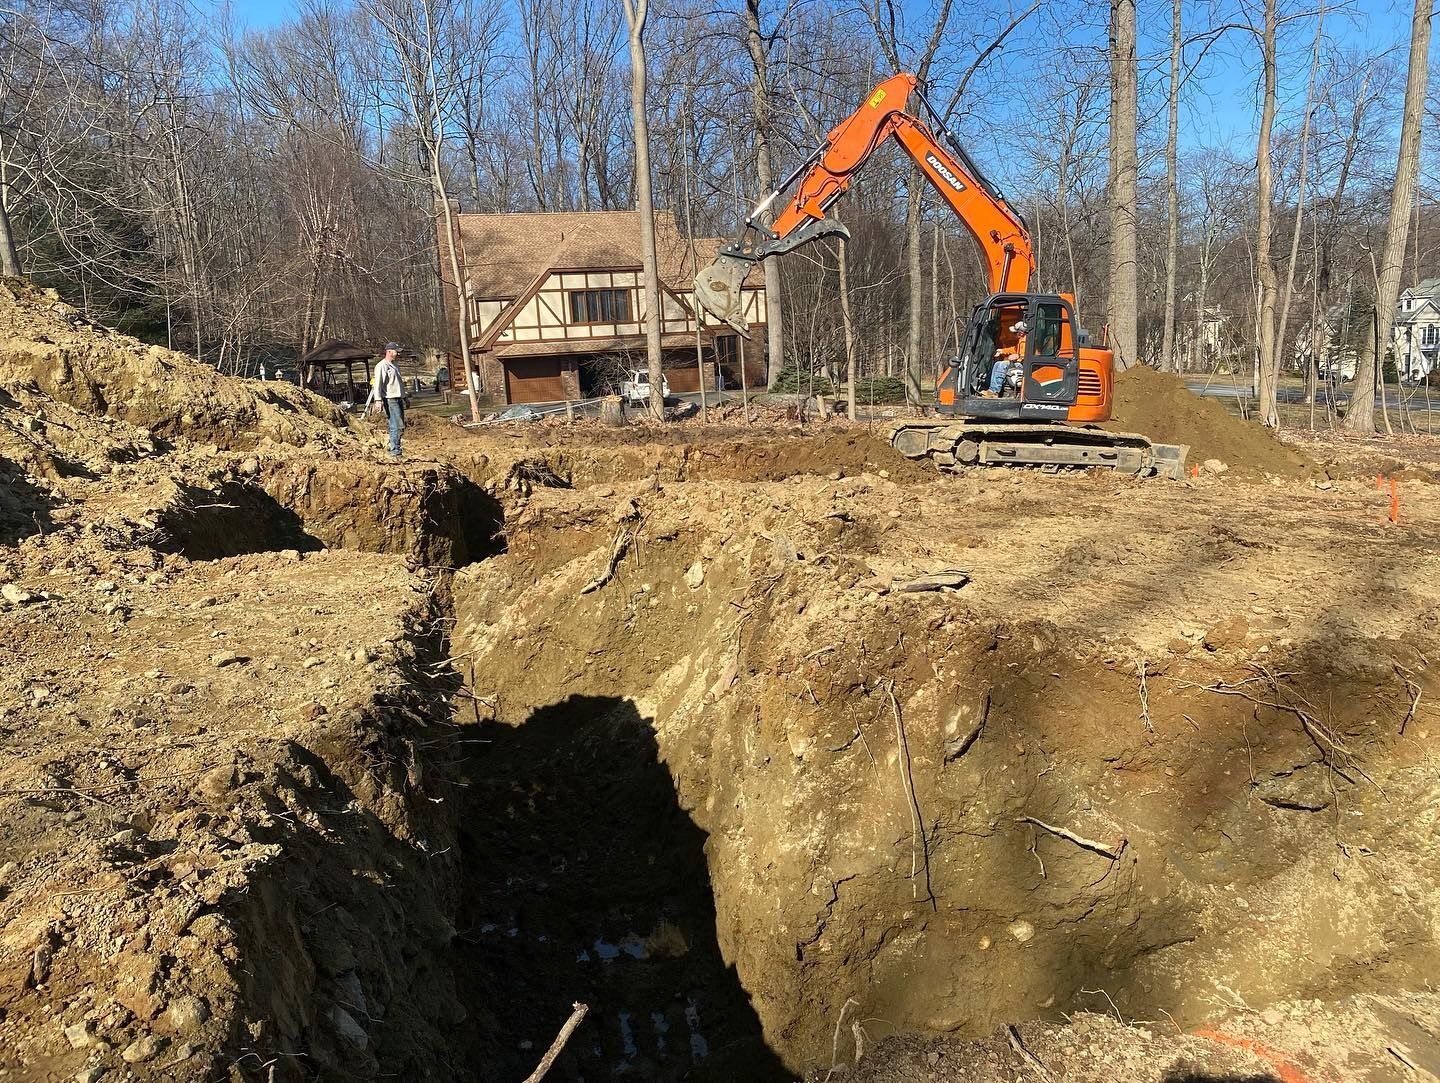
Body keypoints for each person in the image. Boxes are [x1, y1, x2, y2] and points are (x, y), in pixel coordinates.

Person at [366, 342, 406, 459]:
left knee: (400, 425)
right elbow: (378, 384)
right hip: (390, 399)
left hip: (398, 398)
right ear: (389, 351)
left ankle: (396, 448)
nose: (398, 353)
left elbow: (399, 384)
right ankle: (395, 451)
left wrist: (405, 397)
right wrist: (378, 400)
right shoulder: (382, 366)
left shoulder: (395, 365)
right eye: (396, 351)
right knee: (395, 425)